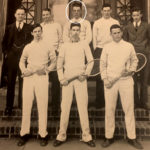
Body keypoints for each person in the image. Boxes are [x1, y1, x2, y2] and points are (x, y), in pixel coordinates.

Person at [100, 24, 143, 149]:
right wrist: (105, 79)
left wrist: (130, 70)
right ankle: (109, 137)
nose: (117, 35)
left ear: (121, 33)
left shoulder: (129, 46)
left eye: (118, 32)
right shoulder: (106, 47)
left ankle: (132, 137)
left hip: (126, 81)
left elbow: (135, 61)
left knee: (129, 109)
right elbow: (102, 65)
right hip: (110, 82)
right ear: (110, 34)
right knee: (110, 109)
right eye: (114, 33)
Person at [53, 23, 95, 147]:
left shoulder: (84, 45)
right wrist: (61, 79)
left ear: (80, 32)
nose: (75, 32)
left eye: (78, 30)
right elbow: (59, 65)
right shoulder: (64, 46)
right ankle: (61, 136)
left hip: (81, 79)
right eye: (73, 30)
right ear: (70, 32)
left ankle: (87, 136)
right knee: (65, 108)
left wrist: (86, 74)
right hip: (67, 80)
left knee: (83, 107)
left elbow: (91, 61)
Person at [17, 24, 56, 147]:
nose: (37, 33)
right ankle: (24, 133)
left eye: (39, 31)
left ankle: (43, 134)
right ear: (32, 33)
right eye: (35, 31)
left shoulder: (48, 46)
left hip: (42, 77)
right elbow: (22, 61)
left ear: (42, 32)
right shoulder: (28, 47)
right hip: (29, 77)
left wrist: (46, 70)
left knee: (42, 105)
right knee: (27, 105)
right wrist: (24, 71)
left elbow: (54, 61)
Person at [1, 8, 32, 116]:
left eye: (22, 14)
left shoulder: (29, 28)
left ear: (24, 15)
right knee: (11, 83)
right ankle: (8, 106)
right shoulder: (9, 28)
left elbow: (32, 43)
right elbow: (4, 43)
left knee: (24, 83)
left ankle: (22, 105)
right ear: (15, 15)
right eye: (18, 14)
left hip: (24, 60)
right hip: (12, 60)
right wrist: (6, 53)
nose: (20, 16)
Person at [93, 3, 119, 108]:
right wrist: (96, 49)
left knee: (112, 73)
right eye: (105, 10)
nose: (106, 12)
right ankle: (99, 101)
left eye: (108, 10)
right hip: (100, 49)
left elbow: (117, 35)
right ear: (101, 11)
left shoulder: (115, 22)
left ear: (111, 11)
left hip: (112, 49)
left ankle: (113, 102)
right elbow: (94, 37)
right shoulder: (97, 23)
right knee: (100, 75)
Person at [123, 7, 150, 109]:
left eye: (137, 15)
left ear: (141, 15)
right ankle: (134, 102)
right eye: (134, 15)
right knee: (132, 80)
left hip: (145, 56)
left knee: (144, 79)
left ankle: (144, 102)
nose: (135, 17)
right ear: (132, 16)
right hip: (132, 56)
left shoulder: (147, 26)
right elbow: (125, 42)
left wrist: (147, 50)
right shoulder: (127, 27)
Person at [41, 8, 63, 112]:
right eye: (44, 15)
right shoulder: (40, 26)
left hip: (55, 54)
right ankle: (44, 103)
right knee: (44, 79)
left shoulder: (57, 25)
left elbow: (61, 40)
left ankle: (55, 105)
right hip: (44, 56)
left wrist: (57, 52)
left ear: (51, 15)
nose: (45, 16)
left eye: (47, 14)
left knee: (55, 80)